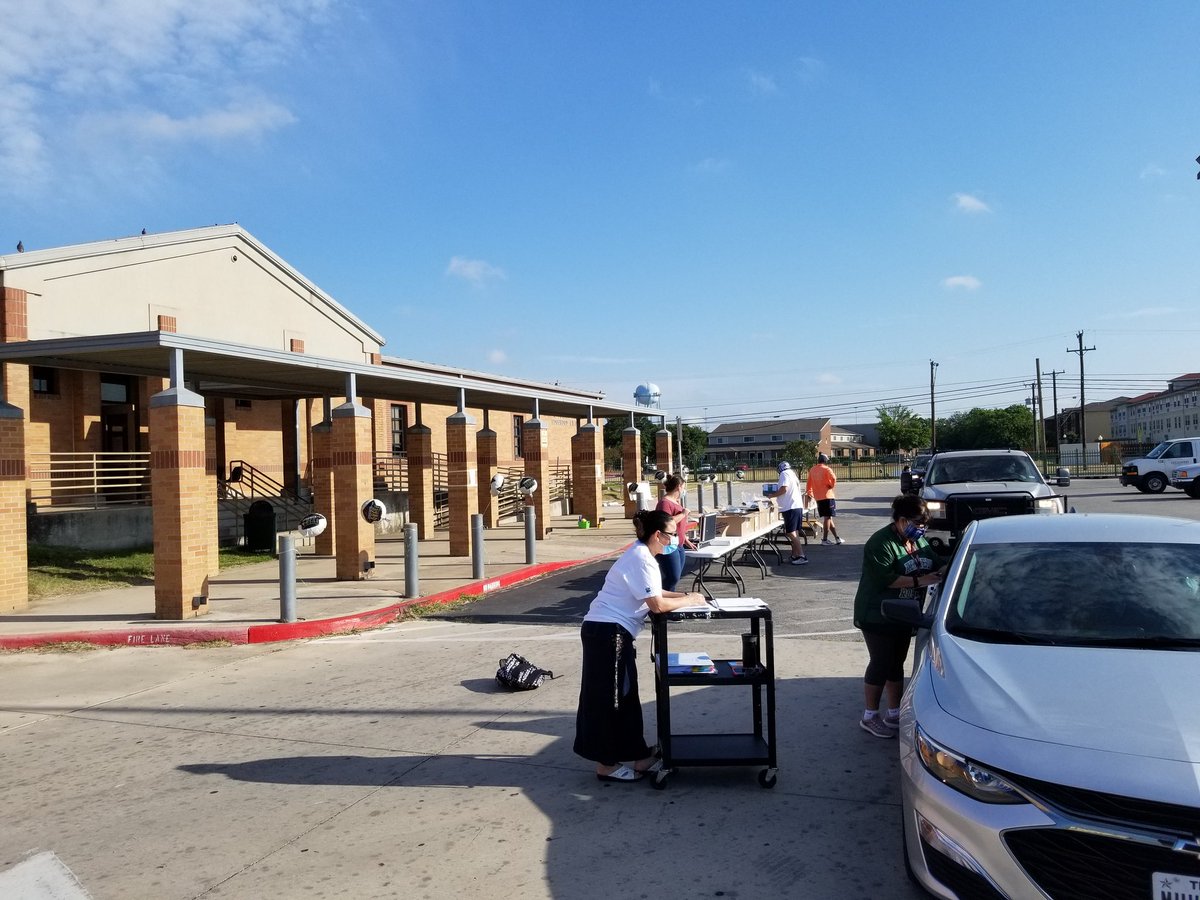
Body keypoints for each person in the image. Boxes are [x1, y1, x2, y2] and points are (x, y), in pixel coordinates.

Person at [574, 509, 708, 781]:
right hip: (607, 633)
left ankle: (639, 756)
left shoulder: (642, 555)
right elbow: (657, 605)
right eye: (671, 535)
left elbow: (655, 592)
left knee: (626, 697)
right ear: (657, 535)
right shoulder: (641, 559)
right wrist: (690, 600)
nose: (675, 540)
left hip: (611, 632)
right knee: (610, 700)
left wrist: (685, 595)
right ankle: (606, 765)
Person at [852, 494, 947, 738]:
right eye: (917, 523)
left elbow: (935, 563)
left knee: (896, 662)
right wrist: (921, 580)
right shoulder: (880, 543)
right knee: (881, 662)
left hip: (905, 613)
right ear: (902, 520)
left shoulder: (918, 542)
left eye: (924, 524)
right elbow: (886, 579)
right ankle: (870, 715)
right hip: (877, 613)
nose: (921, 528)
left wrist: (949, 567)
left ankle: (894, 712)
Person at [763, 460, 809, 565]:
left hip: (790, 507)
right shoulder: (792, 473)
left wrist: (772, 495)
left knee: (790, 532)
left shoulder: (784, 474)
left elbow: (784, 489)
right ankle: (795, 555)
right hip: (796, 506)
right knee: (795, 532)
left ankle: (801, 555)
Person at [654, 474, 694, 590]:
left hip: (679, 544)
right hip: (668, 544)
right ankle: (661, 596)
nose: (684, 490)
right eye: (683, 487)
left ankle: (668, 596)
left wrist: (685, 539)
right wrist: (683, 514)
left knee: (675, 577)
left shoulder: (676, 502)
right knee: (672, 577)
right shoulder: (665, 503)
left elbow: (679, 526)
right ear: (678, 487)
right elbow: (666, 523)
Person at [806, 452, 843, 545]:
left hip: (818, 497)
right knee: (828, 517)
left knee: (828, 518)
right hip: (827, 496)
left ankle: (837, 538)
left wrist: (810, 493)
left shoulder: (812, 469)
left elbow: (808, 484)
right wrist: (831, 485)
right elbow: (834, 478)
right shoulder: (827, 469)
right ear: (825, 461)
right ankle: (825, 539)